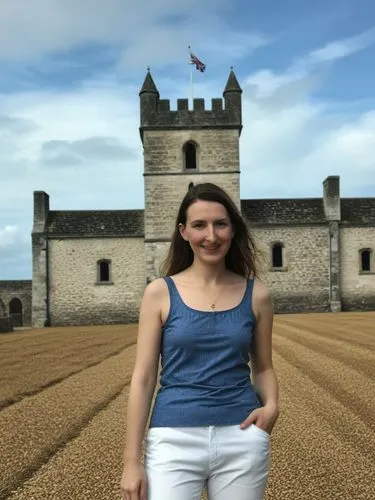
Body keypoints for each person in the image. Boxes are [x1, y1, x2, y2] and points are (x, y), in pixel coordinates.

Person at [120, 182, 279, 500]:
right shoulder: (159, 293)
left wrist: (272, 407)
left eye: (220, 224)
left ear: (232, 229)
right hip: (172, 439)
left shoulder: (257, 294)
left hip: (242, 437)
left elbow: (262, 367)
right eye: (199, 225)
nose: (211, 235)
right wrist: (131, 460)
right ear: (183, 231)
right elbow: (144, 378)